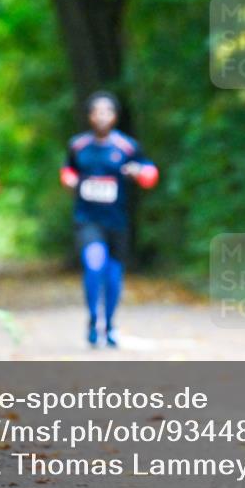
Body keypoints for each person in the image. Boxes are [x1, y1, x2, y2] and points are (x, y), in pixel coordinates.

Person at [61, 91, 159, 348]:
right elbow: (67, 169)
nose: (102, 117)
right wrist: (69, 179)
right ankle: (94, 320)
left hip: (117, 221)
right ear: (90, 116)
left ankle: (110, 325)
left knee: (113, 276)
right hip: (87, 219)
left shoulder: (127, 147)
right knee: (94, 264)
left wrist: (138, 171)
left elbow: (150, 173)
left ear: (114, 116)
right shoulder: (78, 146)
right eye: (97, 112)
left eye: (107, 112)